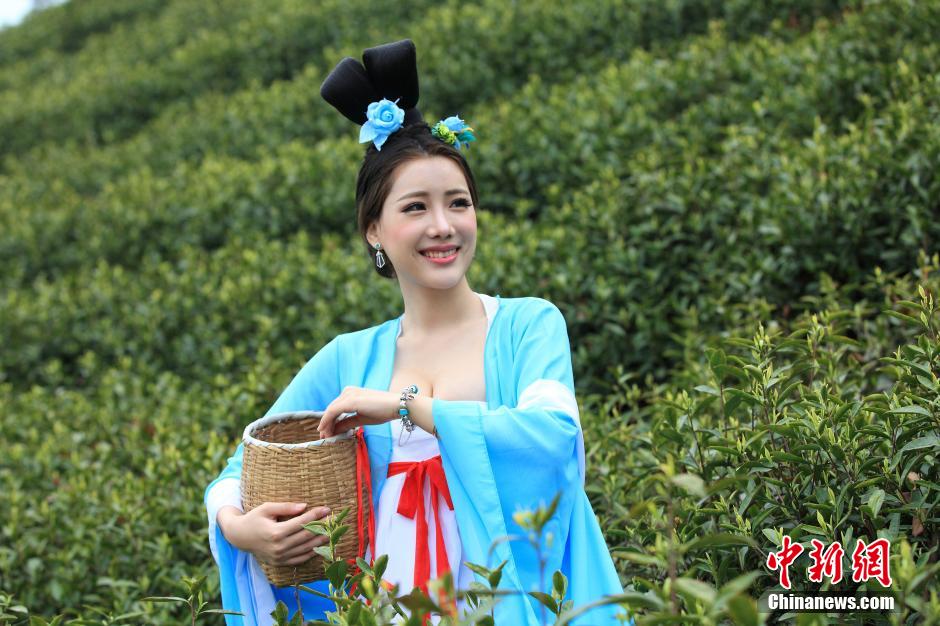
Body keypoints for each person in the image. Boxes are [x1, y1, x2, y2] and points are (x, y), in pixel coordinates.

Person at [204, 39, 625, 625]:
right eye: (415, 208)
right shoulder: (348, 359)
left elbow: (552, 439)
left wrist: (402, 406)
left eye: (458, 202)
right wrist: (240, 528)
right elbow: (239, 469)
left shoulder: (528, 325)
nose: (443, 226)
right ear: (374, 230)